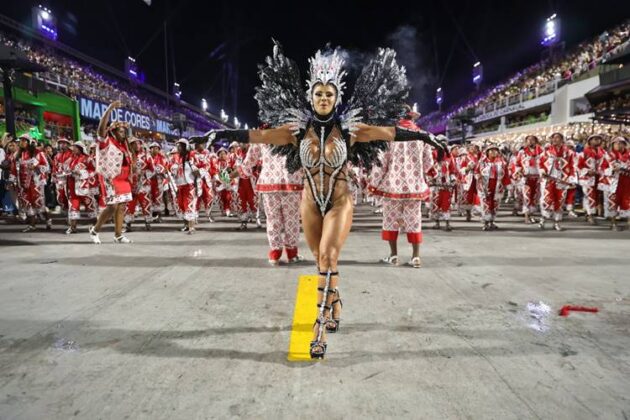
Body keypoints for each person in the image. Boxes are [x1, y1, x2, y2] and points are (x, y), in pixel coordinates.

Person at [198, 43, 444, 358]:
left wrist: (425, 136)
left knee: (328, 255)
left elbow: (390, 133)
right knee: (321, 262)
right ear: (311, 97)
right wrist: (213, 134)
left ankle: (319, 324)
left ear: (336, 97)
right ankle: (336, 300)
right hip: (310, 202)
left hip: (340, 202)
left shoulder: (351, 130)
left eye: (329, 93)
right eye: (319, 94)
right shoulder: (295, 132)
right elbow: (256, 137)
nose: (324, 98)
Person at [240, 141, 305, 264]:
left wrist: (245, 172)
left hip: (269, 183)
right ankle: (292, 254)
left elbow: (249, 160)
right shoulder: (294, 134)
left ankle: (275, 254)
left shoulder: (264, 135)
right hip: (291, 182)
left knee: (272, 219)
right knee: (291, 219)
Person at [89, 100, 134, 244]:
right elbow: (101, 128)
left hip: (123, 179)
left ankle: (118, 235)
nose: (123, 134)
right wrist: (109, 109)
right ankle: (94, 230)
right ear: (113, 131)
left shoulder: (124, 145)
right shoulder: (106, 141)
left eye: (124, 131)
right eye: (121, 131)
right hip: (110, 178)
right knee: (112, 206)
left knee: (121, 207)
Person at [11, 134, 52, 232]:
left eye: (24, 141)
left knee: (38, 203)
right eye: (20, 141)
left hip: (36, 183)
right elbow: (13, 169)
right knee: (27, 204)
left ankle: (48, 220)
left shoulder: (37, 153)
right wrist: (12, 180)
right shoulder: (17, 154)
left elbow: (47, 166)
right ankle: (32, 225)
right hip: (23, 184)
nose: (22, 142)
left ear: (29, 142)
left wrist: (36, 167)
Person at [538, 132, 576, 231]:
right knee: (547, 199)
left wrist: (572, 179)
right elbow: (540, 163)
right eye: (553, 138)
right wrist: (542, 171)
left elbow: (573, 166)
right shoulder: (546, 152)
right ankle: (543, 219)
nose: (555, 139)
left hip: (562, 180)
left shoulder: (569, 153)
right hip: (548, 180)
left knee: (560, 201)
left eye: (558, 137)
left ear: (562, 139)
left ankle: (557, 222)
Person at [475, 144, 511, 231]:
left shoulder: (502, 163)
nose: (493, 152)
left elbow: (506, 174)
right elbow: (476, 171)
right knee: (486, 204)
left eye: (495, 150)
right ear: (487, 152)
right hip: (485, 185)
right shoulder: (482, 162)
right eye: (491, 150)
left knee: (495, 204)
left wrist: (508, 186)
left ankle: (492, 221)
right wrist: (478, 176)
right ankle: (486, 222)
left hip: (498, 186)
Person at [427, 137, 457, 231]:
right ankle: (437, 222)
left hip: (447, 185)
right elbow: (428, 169)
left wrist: (453, 180)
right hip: (435, 185)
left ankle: (447, 223)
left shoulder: (449, 157)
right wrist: (430, 179)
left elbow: (452, 170)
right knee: (436, 203)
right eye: (441, 143)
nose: (443, 145)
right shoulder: (432, 155)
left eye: (445, 143)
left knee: (446, 203)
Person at [66, 141, 97, 234]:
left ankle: (96, 226)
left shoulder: (88, 159)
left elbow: (94, 170)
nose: (73, 149)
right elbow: (67, 169)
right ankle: (72, 227)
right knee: (73, 207)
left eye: (75, 147)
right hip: (72, 187)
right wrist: (70, 172)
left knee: (90, 207)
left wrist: (82, 173)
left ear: (80, 148)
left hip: (84, 187)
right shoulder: (71, 159)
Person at [125, 138, 155, 232]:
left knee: (145, 204)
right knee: (129, 205)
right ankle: (128, 224)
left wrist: (144, 174)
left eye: (139, 143)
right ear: (130, 145)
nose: (137, 145)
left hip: (143, 184)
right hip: (130, 185)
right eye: (135, 144)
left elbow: (153, 170)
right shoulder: (127, 156)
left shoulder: (146, 156)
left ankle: (148, 223)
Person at [600, 136, 629, 230]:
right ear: (612, 145)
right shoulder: (608, 156)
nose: (618, 145)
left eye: (620, 143)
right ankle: (613, 223)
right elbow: (602, 168)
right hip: (612, 182)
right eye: (616, 143)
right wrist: (611, 170)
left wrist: (623, 168)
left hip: (626, 182)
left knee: (627, 201)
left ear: (625, 144)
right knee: (612, 202)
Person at [170, 138, 199, 234]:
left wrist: (197, 170)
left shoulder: (191, 155)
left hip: (189, 185)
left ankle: (192, 227)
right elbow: (173, 171)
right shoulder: (177, 158)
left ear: (185, 146)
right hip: (180, 185)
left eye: (180, 146)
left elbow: (200, 168)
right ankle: (186, 225)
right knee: (181, 205)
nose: (178, 148)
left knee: (189, 205)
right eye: (177, 146)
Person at [578, 134, 605, 224]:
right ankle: (590, 214)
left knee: (595, 196)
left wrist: (601, 171)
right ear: (589, 141)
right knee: (588, 196)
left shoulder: (603, 152)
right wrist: (587, 171)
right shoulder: (584, 152)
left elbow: (606, 164)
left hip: (598, 177)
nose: (597, 141)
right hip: (586, 178)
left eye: (599, 139)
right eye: (595, 139)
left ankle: (588, 212)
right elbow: (578, 165)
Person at [515, 135, 543, 224]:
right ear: (526, 142)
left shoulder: (541, 151)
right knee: (526, 196)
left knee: (535, 197)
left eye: (532, 140)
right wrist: (519, 172)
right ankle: (526, 216)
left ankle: (532, 215)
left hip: (538, 177)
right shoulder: (522, 152)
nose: (530, 141)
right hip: (526, 177)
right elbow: (517, 164)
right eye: (528, 140)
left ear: (536, 141)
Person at [458, 143, 481, 221]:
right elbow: (461, 169)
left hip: (477, 178)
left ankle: (477, 212)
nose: (474, 149)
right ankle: (468, 213)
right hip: (469, 178)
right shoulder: (465, 158)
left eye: (475, 148)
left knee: (477, 195)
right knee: (468, 196)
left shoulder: (479, 157)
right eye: (472, 147)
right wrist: (467, 168)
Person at [52, 137, 73, 216]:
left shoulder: (72, 154)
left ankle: (72, 210)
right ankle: (65, 208)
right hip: (59, 178)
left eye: (64, 143)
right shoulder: (57, 155)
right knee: (60, 195)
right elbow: (54, 166)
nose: (61, 145)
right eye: (60, 143)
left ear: (67, 145)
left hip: (69, 178)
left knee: (69, 194)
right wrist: (53, 174)